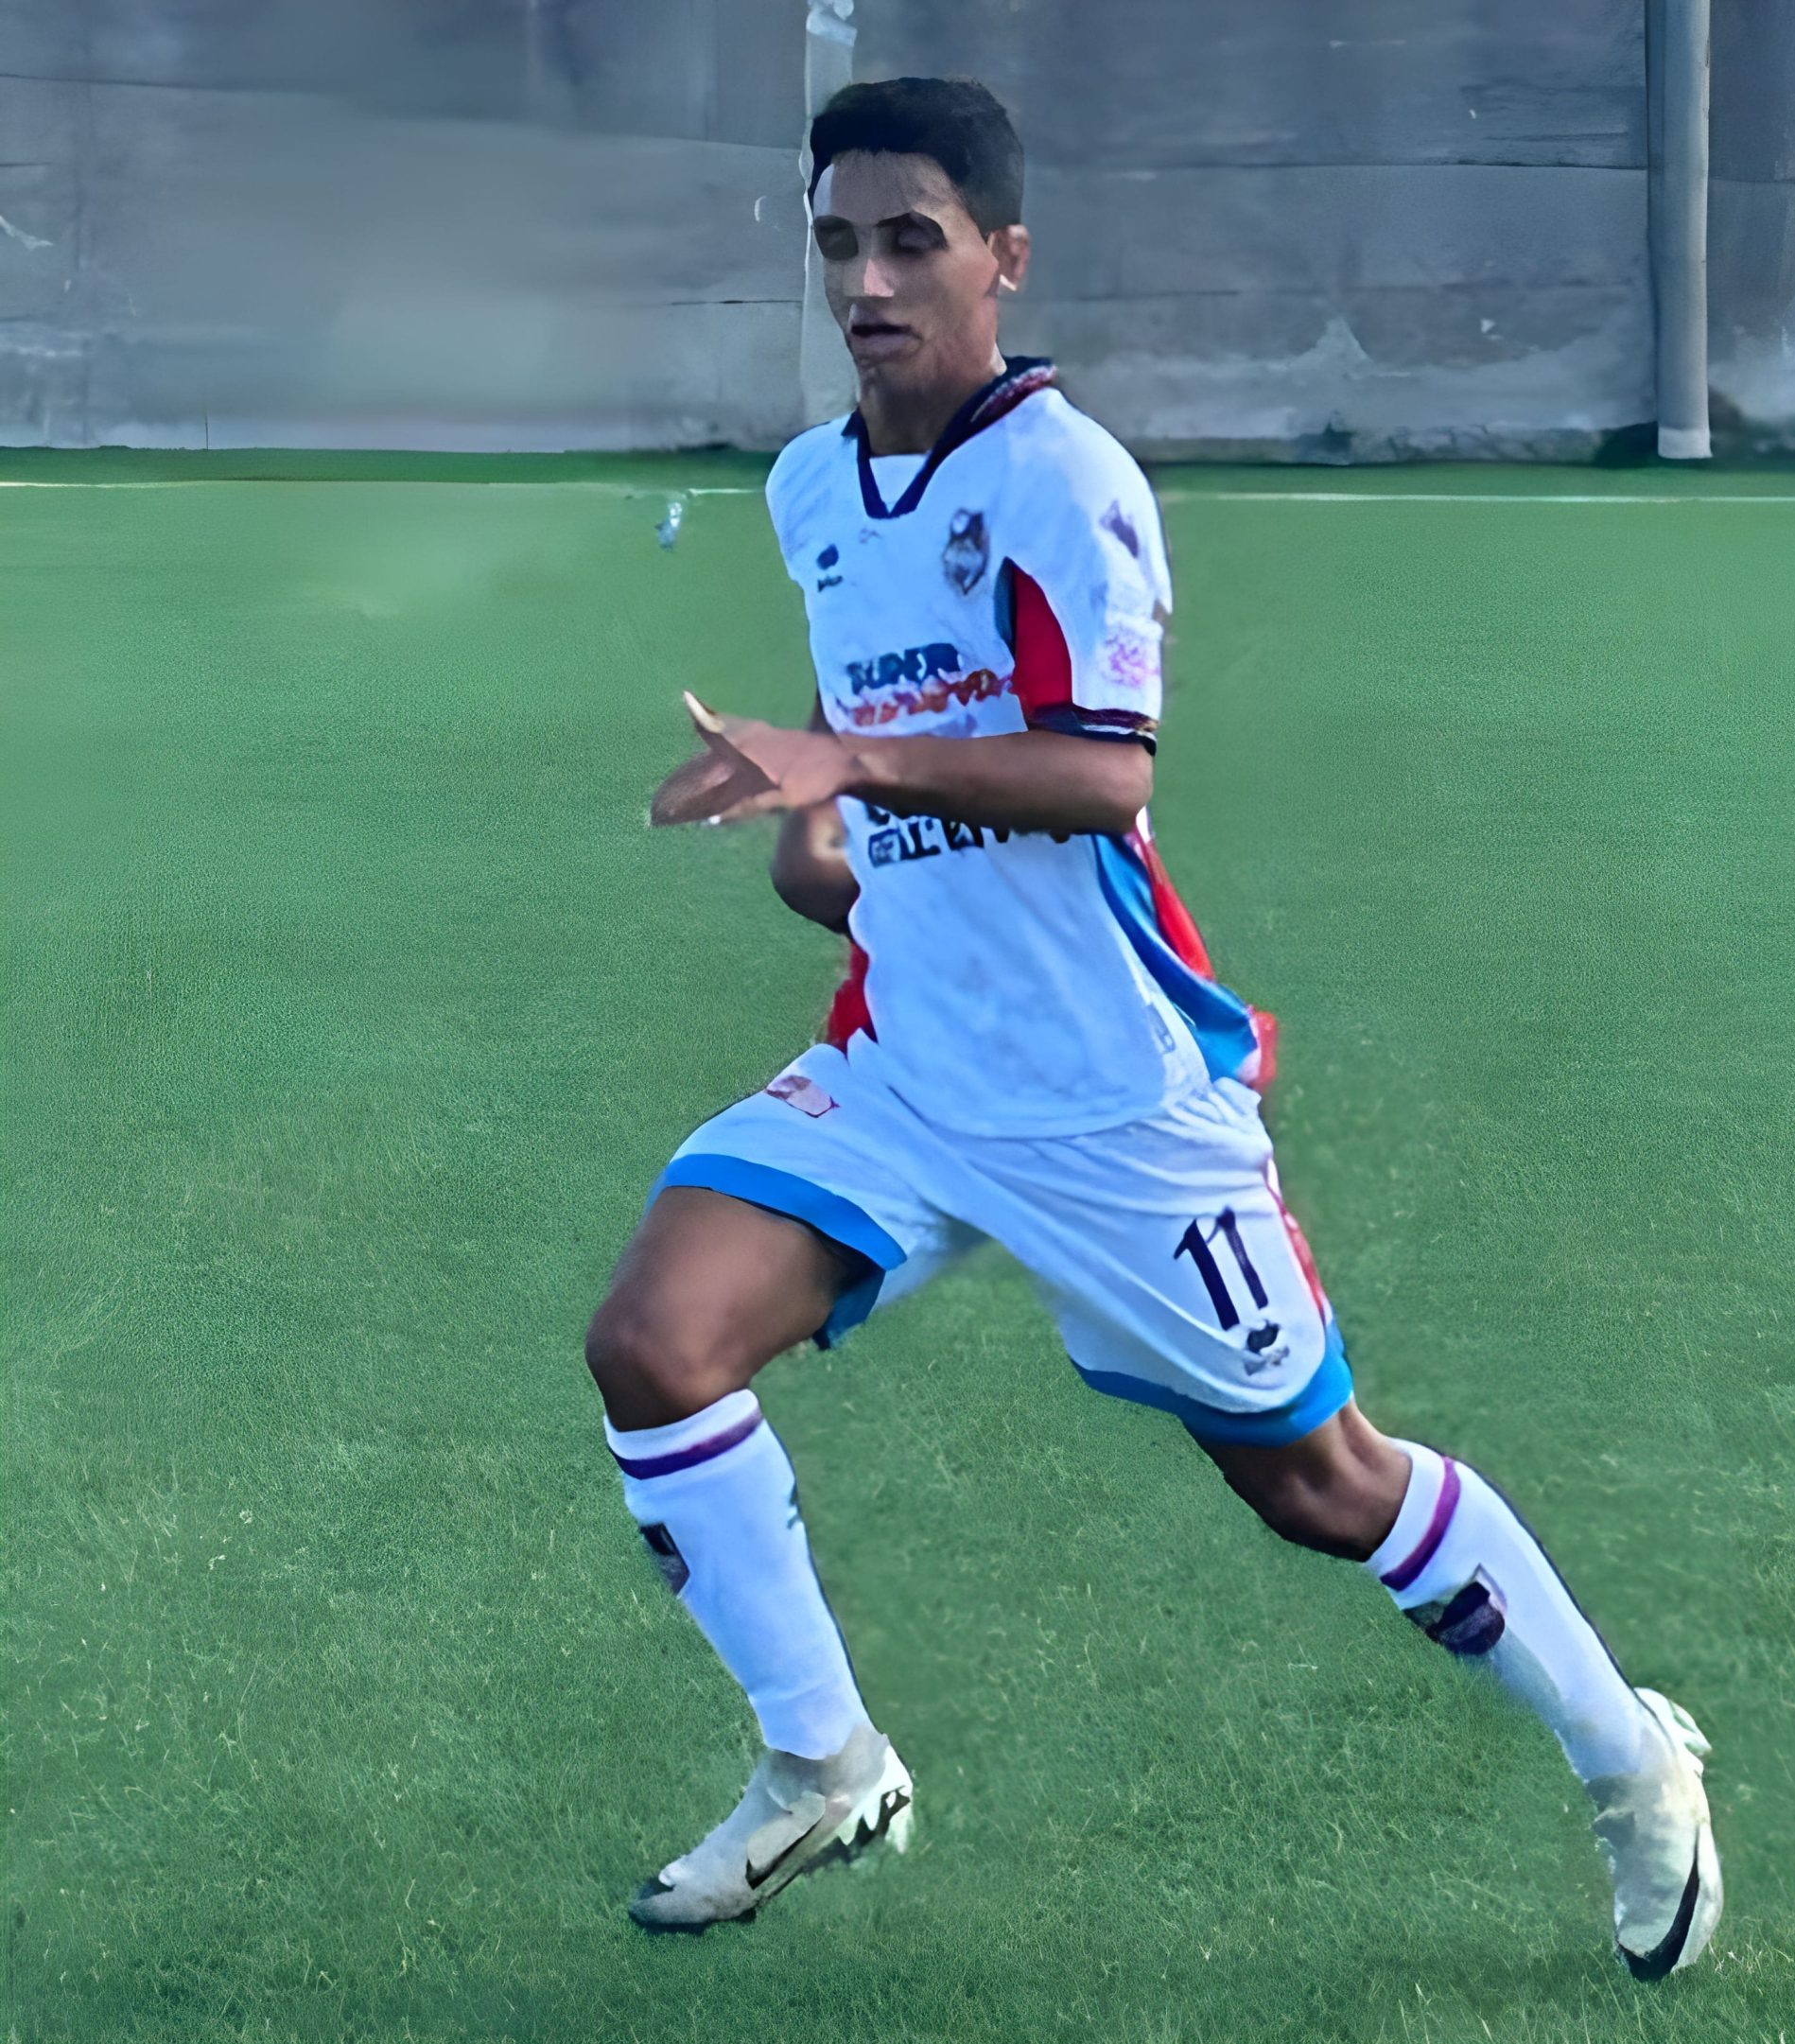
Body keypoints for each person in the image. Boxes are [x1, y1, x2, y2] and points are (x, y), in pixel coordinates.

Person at [585, 75, 1721, 1978]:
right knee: (652, 1341)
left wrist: (853, 765)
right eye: (838, 242)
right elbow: (871, 749)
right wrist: (815, 824)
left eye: (912, 241)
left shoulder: (1064, 480)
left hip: (1109, 1095)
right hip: (904, 1064)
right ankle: (823, 1759)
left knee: (1321, 1482)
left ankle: (1631, 1759)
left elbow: (1103, 771)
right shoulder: (811, 489)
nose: (867, 281)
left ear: (1004, 257)